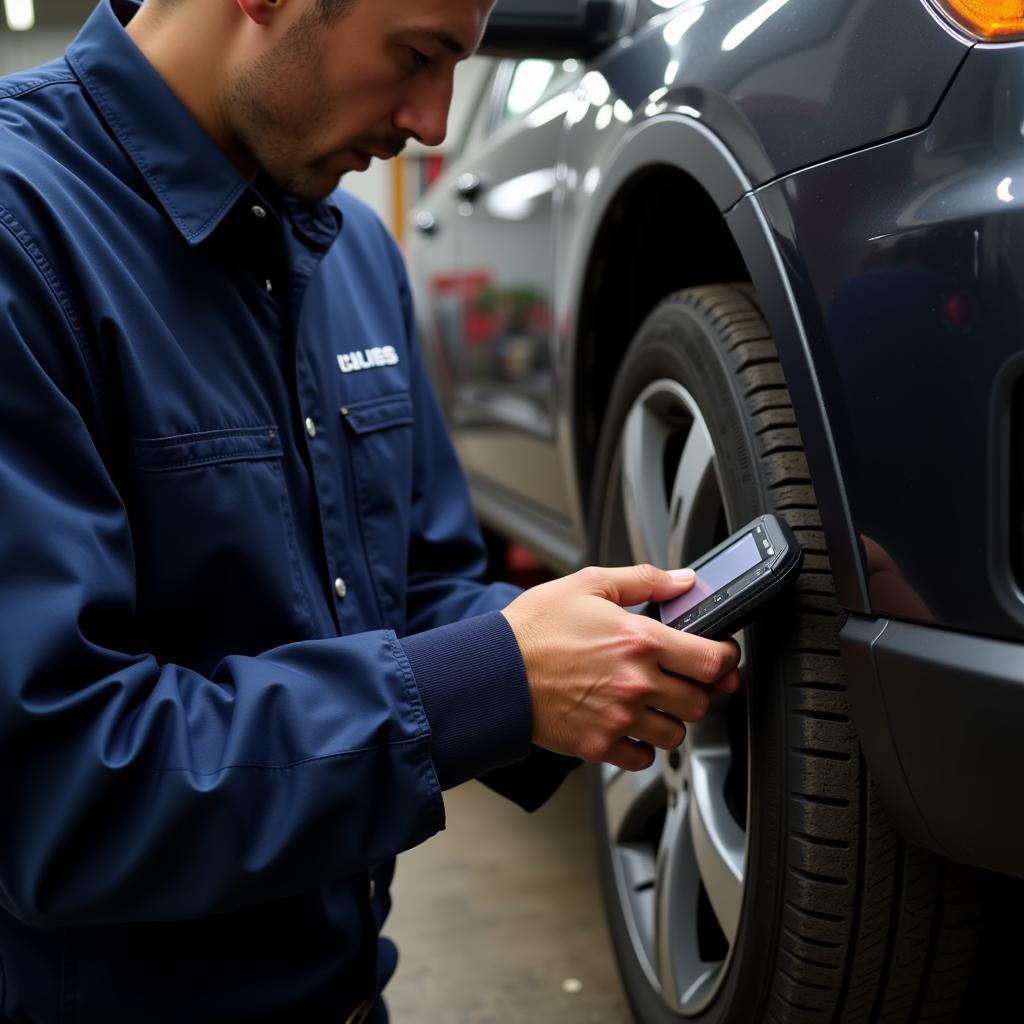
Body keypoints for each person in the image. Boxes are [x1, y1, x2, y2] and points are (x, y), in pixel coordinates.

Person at [0, 0, 740, 1020]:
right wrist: (486, 683)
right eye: (417, 55)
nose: (435, 124)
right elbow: (59, 789)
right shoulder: (22, 234)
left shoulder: (352, 251)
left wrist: (612, 642)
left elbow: (414, 585)